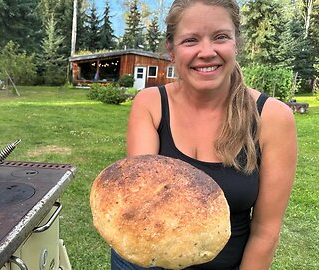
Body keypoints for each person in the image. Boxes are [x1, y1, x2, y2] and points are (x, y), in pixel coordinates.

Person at [117, 0, 297, 269]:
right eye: (190, 40)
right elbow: (144, 205)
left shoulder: (272, 118)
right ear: (172, 50)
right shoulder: (150, 104)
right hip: (146, 262)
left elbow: (265, 231)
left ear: (236, 42)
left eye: (220, 37)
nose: (207, 52)